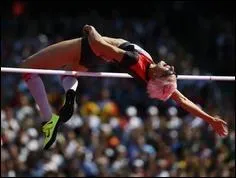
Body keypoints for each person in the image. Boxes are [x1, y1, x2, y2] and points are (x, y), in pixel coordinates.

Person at [20, 25, 228, 150]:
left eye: (169, 70)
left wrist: (91, 30)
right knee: (68, 73)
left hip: (87, 48)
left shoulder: (135, 60)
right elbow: (182, 100)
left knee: (27, 68)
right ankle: (71, 92)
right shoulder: (149, 75)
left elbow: (101, 45)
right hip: (93, 60)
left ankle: (48, 120)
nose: (170, 65)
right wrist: (210, 119)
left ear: (158, 76)